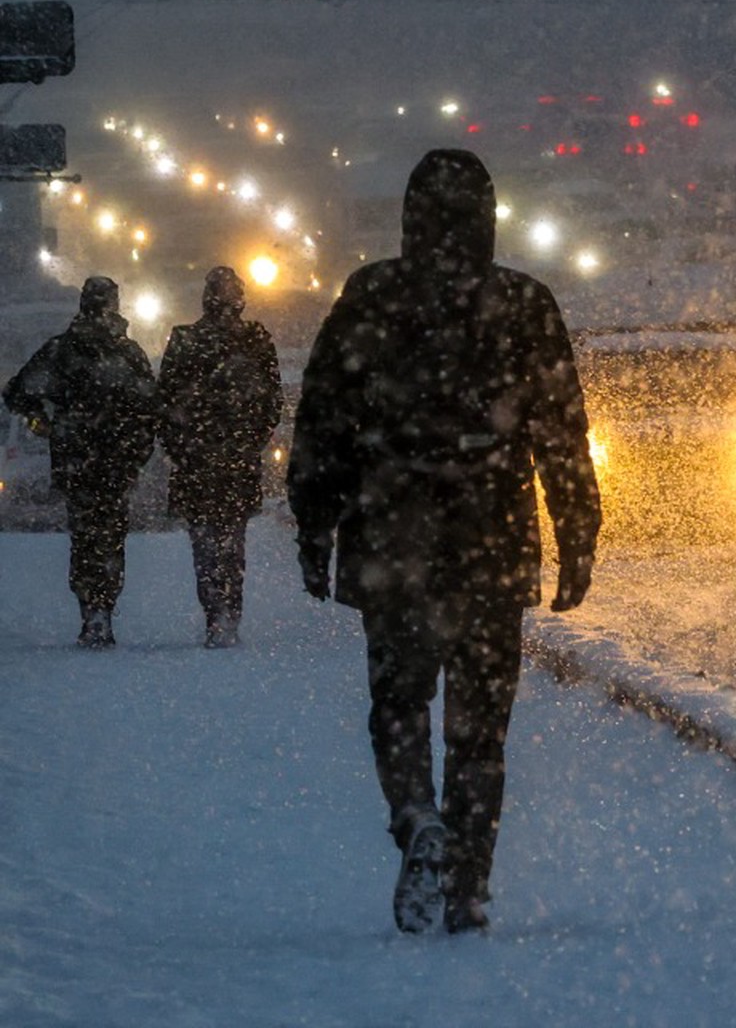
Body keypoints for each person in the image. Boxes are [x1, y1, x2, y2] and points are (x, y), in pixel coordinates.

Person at [288, 149, 600, 936]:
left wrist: (314, 524)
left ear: (410, 217)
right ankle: (468, 886)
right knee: (480, 728)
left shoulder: (372, 296)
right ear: (490, 218)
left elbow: (323, 421)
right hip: (492, 544)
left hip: (391, 536)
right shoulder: (525, 304)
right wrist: (577, 531)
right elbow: (563, 434)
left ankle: (416, 817)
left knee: (398, 702)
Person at [2, 276, 157, 649]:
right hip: (116, 462)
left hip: (76, 461)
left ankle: (91, 611)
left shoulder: (61, 351)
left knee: (85, 538)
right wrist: (137, 451)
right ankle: (104, 606)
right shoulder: (128, 354)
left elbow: (16, 393)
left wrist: (46, 424)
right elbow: (150, 409)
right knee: (111, 538)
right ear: (115, 306)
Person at [156, 266, 283, 648]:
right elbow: (271, 402)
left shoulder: (185, 340)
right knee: (231, 543)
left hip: (197, 462)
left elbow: (165, 402)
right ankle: (228, 612)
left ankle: (215, 611)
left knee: (206, 544)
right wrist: (250, 442)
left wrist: (181, 448)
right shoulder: (256, 340)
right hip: (236, 461)